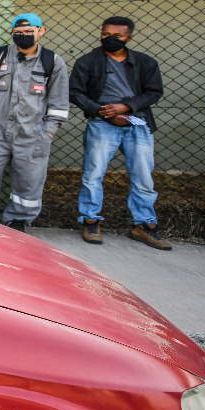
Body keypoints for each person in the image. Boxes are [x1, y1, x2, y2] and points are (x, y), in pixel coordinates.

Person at [69, 16, 166, 249]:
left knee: (143, 175)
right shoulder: (88, 61)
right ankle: (90, 221)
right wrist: (103, 112)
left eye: (117, 36)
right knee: (93, 174)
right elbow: (75, 92)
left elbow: (154, 92)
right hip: (102, 122)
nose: (109, 39)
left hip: (137, 121)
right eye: (105, 34)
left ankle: (144, 225)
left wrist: (126, 106)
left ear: (129, 38)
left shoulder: (145, 63)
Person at [0, 13, 70, 231]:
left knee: (28, 182)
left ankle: (18, 222)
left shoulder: (52, 62)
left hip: (32, 135)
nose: (23, 36)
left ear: (41, 31)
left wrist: (48, 133)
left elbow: (59, 103)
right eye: (17, 33)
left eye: (28, 32)